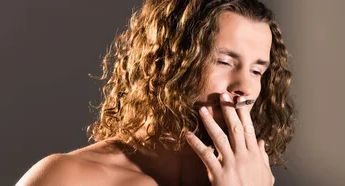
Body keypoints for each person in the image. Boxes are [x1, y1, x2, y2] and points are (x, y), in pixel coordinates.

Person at [16, 0, 295, 185]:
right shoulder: (71, 178)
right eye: (224, 62)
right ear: (169, 61)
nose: (244, 88)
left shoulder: (249, 179)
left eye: (257, 71)